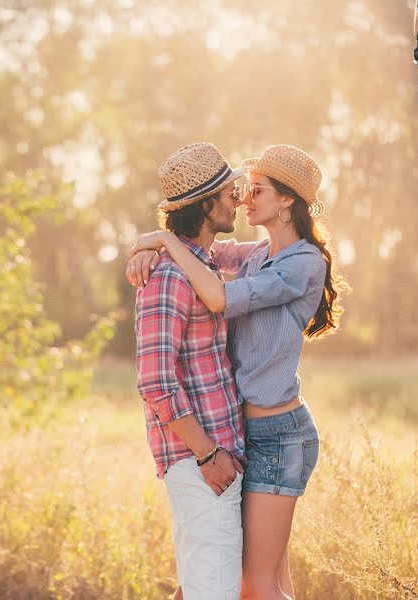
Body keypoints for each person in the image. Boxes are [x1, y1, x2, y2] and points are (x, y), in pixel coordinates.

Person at [128, 144, 345, 600]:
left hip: (278, 433)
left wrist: (163, 242)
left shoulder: (303, 262)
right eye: (237, 191)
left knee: (256, 586)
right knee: (259, 584)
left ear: (287, 200)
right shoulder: (255, 255)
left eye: (256, 189)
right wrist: (144, 250)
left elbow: (219, 296)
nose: (244, 198)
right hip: (246, 434)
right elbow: (203, 255)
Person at [134, 142, 248, 600]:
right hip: (199, 463)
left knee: (202, 591)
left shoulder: (199, 264)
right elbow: (155, 382)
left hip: (211, 462)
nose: (237, 201)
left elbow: (273, 251)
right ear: (206, 205)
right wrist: (207, 455)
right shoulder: (168, 277)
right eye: (229, 194)